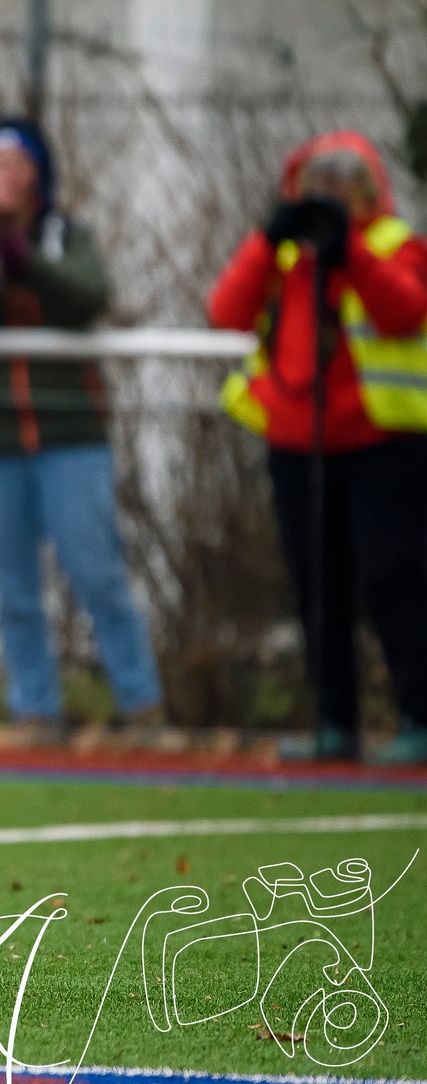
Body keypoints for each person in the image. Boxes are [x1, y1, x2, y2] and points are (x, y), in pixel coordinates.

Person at [0, 118, 163, 737]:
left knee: (98, 572)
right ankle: (35, 710)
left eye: (22, 164)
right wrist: (2, 268)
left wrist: (30, 261)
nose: (10, 175)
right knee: (15, 590)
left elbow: (86, 297)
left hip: (71, 438)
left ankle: (143, 709)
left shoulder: (67, 240)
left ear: (40, 178)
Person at [209, 132, 427, 765]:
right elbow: (226, 310)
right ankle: (335, 722)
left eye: (342, 184)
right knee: (316, 586)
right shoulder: (284, 257)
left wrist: (349, 252)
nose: (328, 197)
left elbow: (404, 311)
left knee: (397, 582)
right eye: (314, 186)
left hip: (384, 444)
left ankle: (419, 715)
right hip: (299, 446)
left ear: (368, 189)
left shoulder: (393, 245)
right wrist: (269, 237)